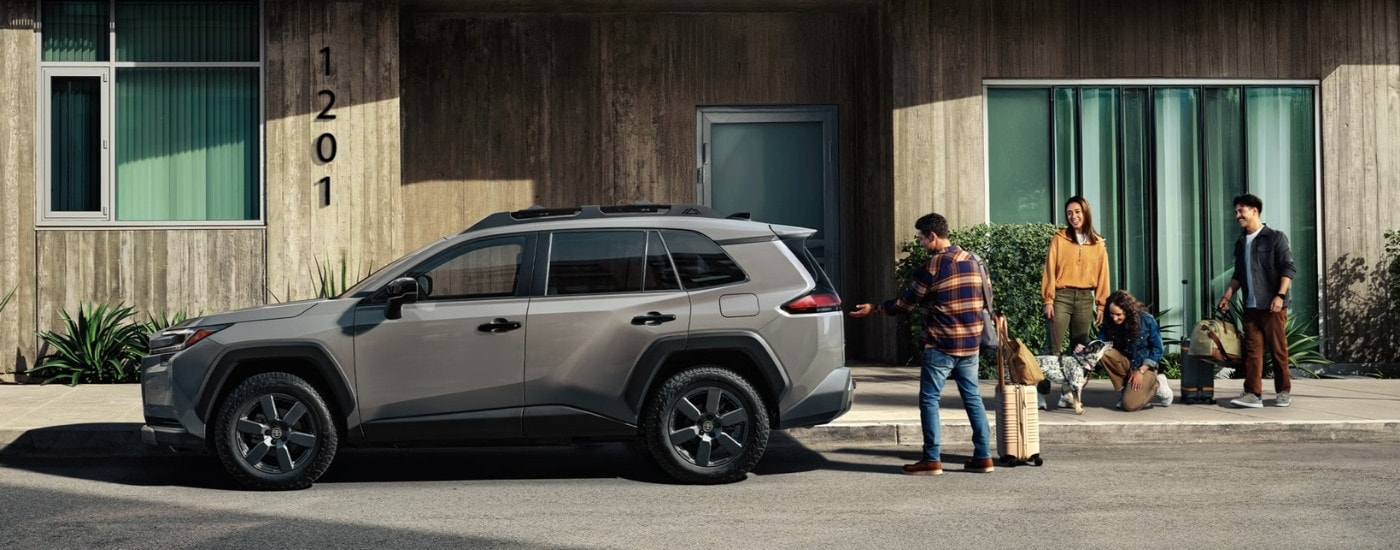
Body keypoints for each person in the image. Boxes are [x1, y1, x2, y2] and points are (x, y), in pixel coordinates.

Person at [850, 212, 993, 476]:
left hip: (941, 343)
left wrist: (875, 308)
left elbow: (906, 304)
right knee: (973, 399)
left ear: (933, 236)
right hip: (971, 343)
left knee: (929, 400)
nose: (920, 244)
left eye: (921, 239)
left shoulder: (934, 266)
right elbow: (987, 300)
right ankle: (984, 457)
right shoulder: (975, 261)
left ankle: (932, 459)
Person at [1216, 193, 1296, 408]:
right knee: (1252, 353)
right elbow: (1238, 275)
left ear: (1254, 211)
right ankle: (1253, 394)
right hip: (1251, 307)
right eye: (1235, 212)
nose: (1237, 215)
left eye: (1240, 210)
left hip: (1272, 306)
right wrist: (1227, 296)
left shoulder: (1275, 237)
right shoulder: (1241, 243)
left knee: (1278, 350)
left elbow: (1288, 268)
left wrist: (1280, 295)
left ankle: (1283, 391)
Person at [1041, 197, 1111, 358]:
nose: (1073, 216)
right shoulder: (1059, 238)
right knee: (1053, 345)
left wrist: (1101, 306)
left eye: (1077, 212)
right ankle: (1044, 383)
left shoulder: (1098, 244)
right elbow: (1049, 270)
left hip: (1085, 299)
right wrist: (1048, 300)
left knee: (1080, 347)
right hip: (1061, 297)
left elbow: (1103, 276)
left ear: (1086, 213)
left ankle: (1072, 383)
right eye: (1069, 213)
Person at [1079, 289, 1171, 411]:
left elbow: (1157, 349)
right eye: (1112, 314)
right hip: (1126, 364)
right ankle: (1127, 388)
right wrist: (1085, 348)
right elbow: (1100, 343)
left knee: (1129, 405)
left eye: (1118, 315)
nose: (1114, 318)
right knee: (1105, 353)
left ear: (1128, 312)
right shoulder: (1110, 322)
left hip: (1144, 366)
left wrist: (1141, 371)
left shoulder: (1147, 320)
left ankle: (1157, 385)